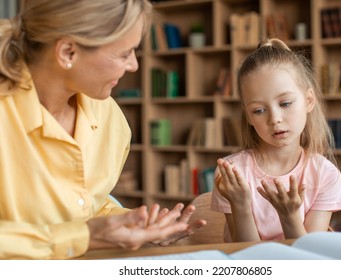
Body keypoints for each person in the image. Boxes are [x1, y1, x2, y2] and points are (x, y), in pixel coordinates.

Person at [0, 0, 206, 259]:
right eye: (124, 53)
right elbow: (81, 230)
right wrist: (87, 236)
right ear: (67, 52)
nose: (134, 65)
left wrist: (134, 225)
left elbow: (84, 205)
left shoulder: (110, 118)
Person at [211, 38, 341, 242]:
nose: (274, 119)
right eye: (258, 110)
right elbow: (248, 259)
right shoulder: (233, 172)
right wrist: (240, 205)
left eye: (285, 103)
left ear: (308, 101)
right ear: (249, 117)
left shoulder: (325, 175)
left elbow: (308, 259)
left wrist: (289, 217)